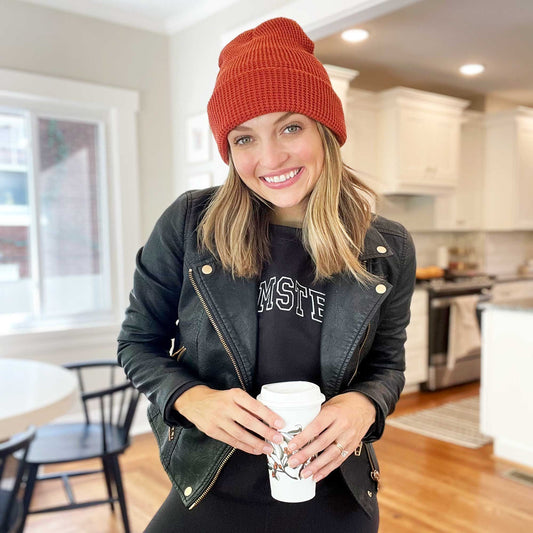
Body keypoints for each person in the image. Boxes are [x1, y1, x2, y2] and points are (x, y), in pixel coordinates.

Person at [117, 17, 415, 533]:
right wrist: (192, 399)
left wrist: (365, 404)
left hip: (334, 487)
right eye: (244, 138)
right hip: (210, 482)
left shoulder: (386, 245)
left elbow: (388, 364)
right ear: (229, 151)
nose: (270, 157)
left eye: (291, 127)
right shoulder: (190, 224)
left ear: (326, 130)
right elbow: (137, 344)